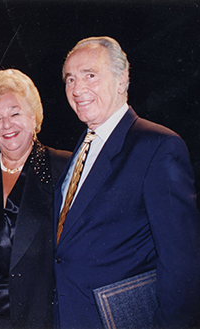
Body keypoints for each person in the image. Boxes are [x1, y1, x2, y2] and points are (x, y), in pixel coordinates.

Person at [54, 36, 200, 328]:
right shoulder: (82, 147)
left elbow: (181, 265)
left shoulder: (157, 146)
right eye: (70, 79)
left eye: (90, 75)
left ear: (122, 80)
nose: (77, 88)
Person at [0, 68, 71, 328]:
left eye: (15, 113)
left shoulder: (63, 168)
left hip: (37, 318)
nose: (6, 125)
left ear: (34, 117)